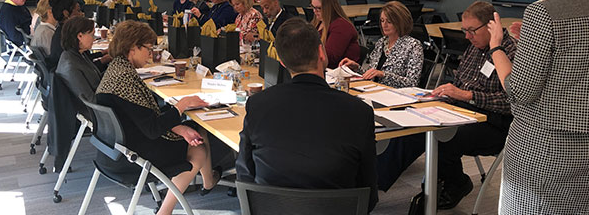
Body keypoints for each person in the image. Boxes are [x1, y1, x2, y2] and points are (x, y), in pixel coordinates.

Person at [487, 0, 589, 215]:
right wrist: (530, 43)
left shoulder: (543, 12)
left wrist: (497, 48)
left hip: (544, 154)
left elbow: (520, 91)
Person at [376, 1, 516, 210]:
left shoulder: (510, 52)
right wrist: (442, 94)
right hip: (460, 110)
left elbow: (511, 102)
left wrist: (466, 95)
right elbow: (459, 84)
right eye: (464, 30)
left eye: (471, 31)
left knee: (438, 137)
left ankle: (454, 182)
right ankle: (375, 182)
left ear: (490, 27)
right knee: (412, 125)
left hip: (492, 123)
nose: (467, 36)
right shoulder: (473, 48)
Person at [236, 18, 378, 213]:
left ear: (281, 62)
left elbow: (245, 173)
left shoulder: (258, 104)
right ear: (321, 52)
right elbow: (369, 191)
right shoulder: (359, 111)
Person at [96, 20, 220, 215]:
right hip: (133, 154)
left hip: (115, 149)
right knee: (199, 147)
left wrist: (178, 126)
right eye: (148, 48)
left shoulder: (116, 70)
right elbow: (152, 128)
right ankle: (166, 211)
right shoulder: (125, 79)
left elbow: (142, 117)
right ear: (132, 48)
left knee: (194, 131)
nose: (151, 53)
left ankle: (209, 181)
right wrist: (183, 104)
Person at [339, 1, 423, 87]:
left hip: (396, 95)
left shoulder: (413, 45)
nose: (384, 25)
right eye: (382, 21)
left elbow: (412, 83)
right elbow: (372, 73)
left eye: (389, 22)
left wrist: (383, 74)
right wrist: (356, 68)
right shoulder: (381, 42)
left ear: (400, 22)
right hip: (375, 89)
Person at [55, 16, 103, 106]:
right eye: (92, 35)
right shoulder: (71, 66)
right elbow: (91, 101)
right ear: (80, 36)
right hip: (100, 111)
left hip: (102, 96)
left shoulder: (77, 55)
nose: (94, 38)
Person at [310, 0, 359, 68]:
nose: (315, 11)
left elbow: (330, 58)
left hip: (340, 73)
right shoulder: (318, 23)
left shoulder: (341, 26)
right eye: (313, 7)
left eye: (319, 8)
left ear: (329, 8)